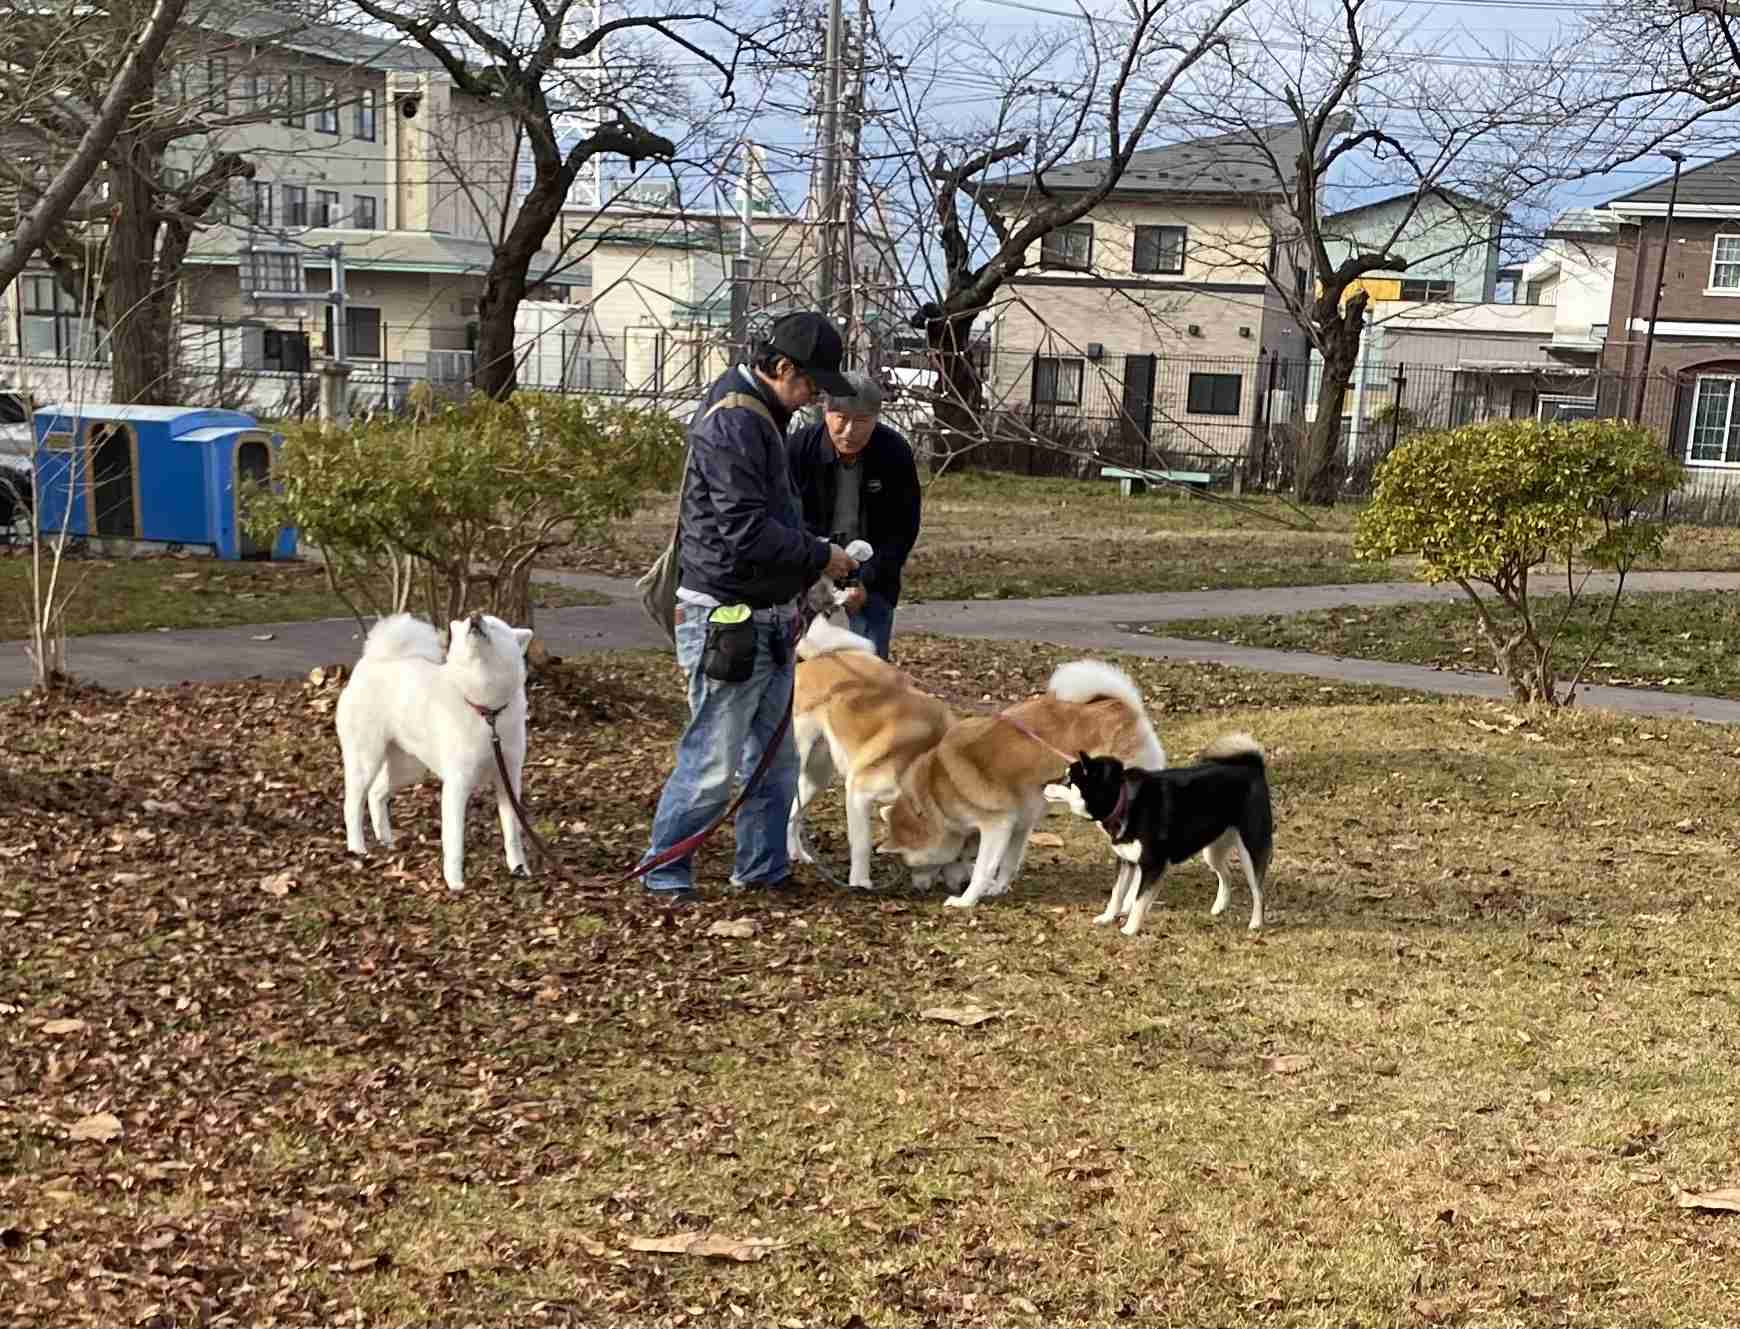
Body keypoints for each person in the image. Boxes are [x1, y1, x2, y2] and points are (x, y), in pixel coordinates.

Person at [636, 312, 859, 904]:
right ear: (782, 368)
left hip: (764, 614)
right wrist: (820, 556)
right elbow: (744, 532)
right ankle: (665, 870)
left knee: (774, 761)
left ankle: (761, 870)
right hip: (724, 617)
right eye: (813, 385)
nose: (816, 398)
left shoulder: (761, 416)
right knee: (713, 758)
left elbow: (767, 521)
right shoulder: (735, 421)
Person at [788, 371, 922, 660]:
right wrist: (817, 563)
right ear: (825, 412)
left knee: (870, 662)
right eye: (841, 418)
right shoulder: (799, 448)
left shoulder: (893, 451)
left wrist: (866, 580)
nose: (849, 431)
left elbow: (903, 527)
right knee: (797, 657)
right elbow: (788, 518)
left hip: (871, 568)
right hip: (811, 564)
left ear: (877, 418)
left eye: (861, 422)